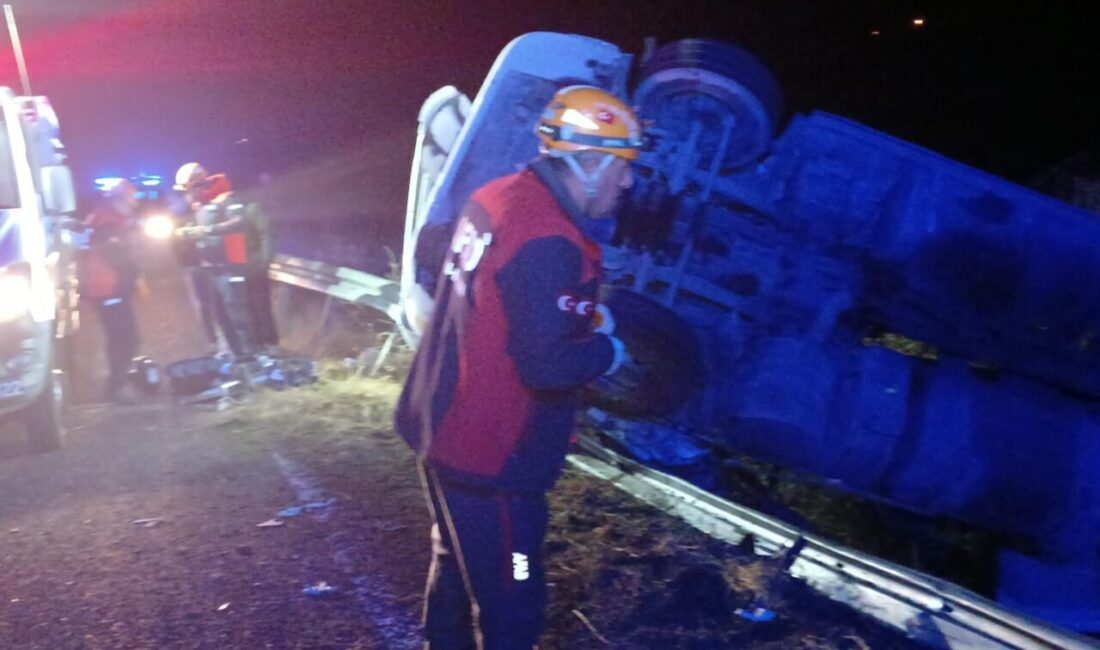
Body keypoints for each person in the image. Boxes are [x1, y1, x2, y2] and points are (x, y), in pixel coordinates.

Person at [395, 85, 642, 649]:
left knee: (454, 558)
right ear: (590, 162)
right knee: (518, 595)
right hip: (492, 460)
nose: (627, 182)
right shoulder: (552, 242)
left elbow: (497, 300)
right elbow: (549, 368)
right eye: (624, 166)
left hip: (438, 426)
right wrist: (610, 350)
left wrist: (574, 314)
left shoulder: (497, 195)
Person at [176, 167, 277, 358]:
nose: (188, 195)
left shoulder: (227, 201)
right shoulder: (201, 205)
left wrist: (204, 230)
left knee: (246, 312)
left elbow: (240, 226)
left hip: (235, 267)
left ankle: (258, 351)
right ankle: (239, 353)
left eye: (188, 190)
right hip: (216, 269)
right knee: (224, 315)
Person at [79, 180, 143, 404]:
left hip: (109, 286)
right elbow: (115, 255)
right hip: (107, 288)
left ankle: (119, 382)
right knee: (124, 337)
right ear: (119, 198)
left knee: (123, 337)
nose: (135, 202)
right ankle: (116, 387)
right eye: (131, 198)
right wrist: (135, 275)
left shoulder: (107, 217)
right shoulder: (106, 220)